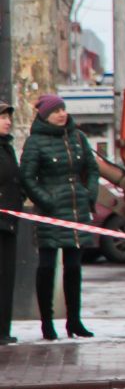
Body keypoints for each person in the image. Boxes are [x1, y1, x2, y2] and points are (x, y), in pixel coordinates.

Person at [20, 95, 99, 340]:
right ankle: (47, 324)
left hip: (76, 211)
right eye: (55, 111)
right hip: (50, 214)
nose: (61, 114)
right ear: (44, 115)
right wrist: (47, 200)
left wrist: (89, 194)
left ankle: (74, 321)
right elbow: (27, 177)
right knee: (47, 267)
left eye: (63, 109)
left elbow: (92, 168)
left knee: (74, 267)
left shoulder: (77, 137)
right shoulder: (35, 142)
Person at [0, 104, 21, 345]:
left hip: (9, 222)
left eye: (8, 118)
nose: (7, 122)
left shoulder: (8, 148)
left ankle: (4, 329)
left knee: (7, 277)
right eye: (3, 118)